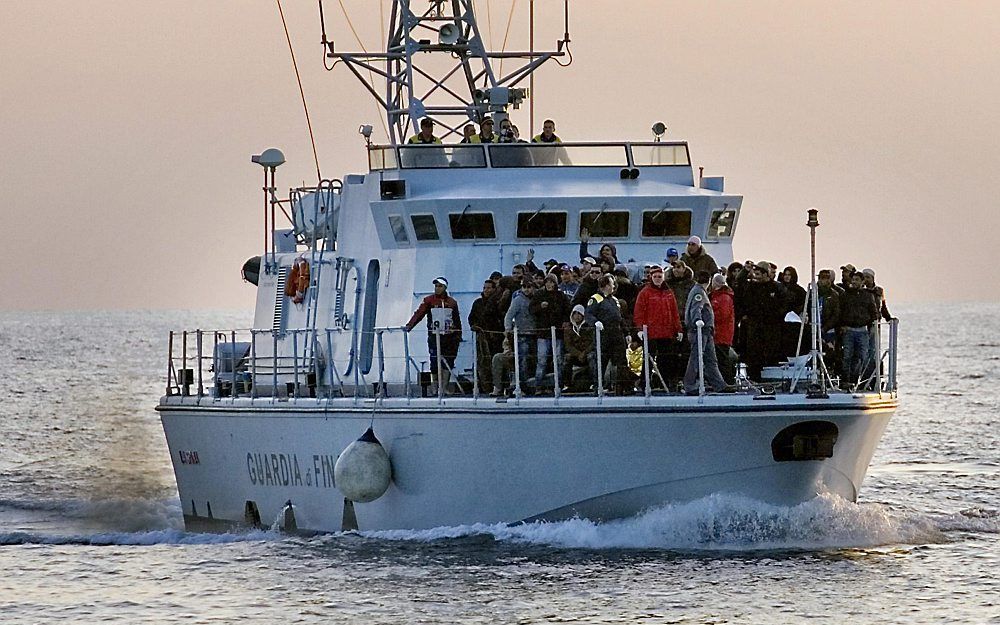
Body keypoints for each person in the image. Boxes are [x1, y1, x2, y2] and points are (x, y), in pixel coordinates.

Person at [405, 276, 462, 393]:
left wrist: (458, 335)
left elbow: (457, 320)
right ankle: (435, 387)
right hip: (434, 335)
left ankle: (444, 387)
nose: (437, 288)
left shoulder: (452, 302)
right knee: (434, 360)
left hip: (449, 336)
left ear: (445, 287)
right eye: (436, 286)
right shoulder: (429, 301)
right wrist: (409, 325)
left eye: (440, 286)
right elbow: (419, 314)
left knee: (448, 361)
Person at [632, 264, 682, 389]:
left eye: (660, 276)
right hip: (651, 333)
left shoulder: (668, 293)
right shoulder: (645, 293)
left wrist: (678, 329)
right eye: (655, 276)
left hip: (666, 332)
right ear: (651, 277)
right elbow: (639, 312)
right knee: (648, 360)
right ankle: (644, 383)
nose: (658, 278)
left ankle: (662, 382)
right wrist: (640, 329)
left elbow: (674, 312)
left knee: (665, 360)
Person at [683, 271, 730, 394]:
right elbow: (696, 308)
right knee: (696, 358)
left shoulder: (699, 291)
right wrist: (697, 320)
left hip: (706, 331)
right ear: (709, 281)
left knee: (710, 359)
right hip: (699, 330)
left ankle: (719, 384)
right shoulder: (699, 292)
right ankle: (690, 384)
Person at [585, 274, 631, 395]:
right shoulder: (595, 298)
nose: (613, 286)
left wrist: (627, 332)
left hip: (617, 334)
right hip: (604, 335)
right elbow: (588, 314)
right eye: (611, 284)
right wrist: (596, 322)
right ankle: (598, 387)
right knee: (601, 361)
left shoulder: (615, 300)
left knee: (621, 362)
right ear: (605, 285)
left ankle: (621, 387)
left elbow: (620, 318)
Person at [741, 261, 787, 381]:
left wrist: (776, 316)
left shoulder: (776, 287)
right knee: (754, 354)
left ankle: (771, 378)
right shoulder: (751, 287)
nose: (756, 276)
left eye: (759, 274)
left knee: (771, 353)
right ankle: (755, 378)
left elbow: (785, 304)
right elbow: (739, 287)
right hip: (755, 326)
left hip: (771, 327)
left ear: (766, 274)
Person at [529, 273, 571, 390]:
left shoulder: (561, 296)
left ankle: (559, 385)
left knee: (558, 360)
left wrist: (565, 321)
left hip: (557, 333)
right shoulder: (539, 295)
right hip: (543, 333)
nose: (549, 284)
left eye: (551, 282)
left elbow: (567, 311)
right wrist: (540, 307)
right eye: (547, 282)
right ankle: (538, 386)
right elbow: (531, 309)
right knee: (541, 360)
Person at [838, 271, 879, 388]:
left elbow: (874, 313)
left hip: (862, 330)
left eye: (857, 280)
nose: (854, 282)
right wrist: (841, 326)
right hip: (848, 330)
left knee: (863, 357)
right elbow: (840, 312)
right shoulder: (845, 295)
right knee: (847, 356)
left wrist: (872, 327)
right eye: (853, 280)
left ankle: (862, 382)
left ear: (862, 282)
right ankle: (845, 381)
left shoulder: (868, 295)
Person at [468, 278, 505, 392]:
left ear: (494, 289)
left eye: (489, 288)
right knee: (483, 362)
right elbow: (471, 318)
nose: (486, 290)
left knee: (495, 361)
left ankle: (498, 385)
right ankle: (485, 386)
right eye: (484, 288)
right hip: (482, 337)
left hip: (496, 337)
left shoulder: (499, 302)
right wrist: (474, 326)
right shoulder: (478, 303)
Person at [503, 278, 538, 390]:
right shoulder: (518, 300)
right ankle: (523, 385)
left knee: (534, 360)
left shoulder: (536, 299)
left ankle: (534, 384)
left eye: (529, 287)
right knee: (522, 360)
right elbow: (509, 316)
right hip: (522, 335)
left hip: (535, 334)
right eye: (524, 287)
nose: (527, 290)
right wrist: (508, 330)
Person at [709, 273, 737, 384]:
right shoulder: (719, 296)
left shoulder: (723, 298)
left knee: (722, 359)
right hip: (719, 333)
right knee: (720, 358)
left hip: (721, 333)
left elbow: (723, 315)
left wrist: (709, 316)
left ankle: (726, 382)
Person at [561, 304, 595, 391]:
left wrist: (584, 353)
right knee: (567, 358)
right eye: (575, 313)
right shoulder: (568, 328)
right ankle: (567, 384)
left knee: (592, 357)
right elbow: (568, 345)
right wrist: (578, 354)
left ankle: (594, 383)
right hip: (576, 354)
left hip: (587, 353)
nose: (577, 316)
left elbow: (592, 343)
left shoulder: (589, 326)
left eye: (579, 313)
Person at [780, 266, 807, 359]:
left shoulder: (799, 290)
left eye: (789, 275)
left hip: (794, 321)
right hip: (782, 321)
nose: (787, 277)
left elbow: (803, 304)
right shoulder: (779, 288)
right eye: (785, 274)